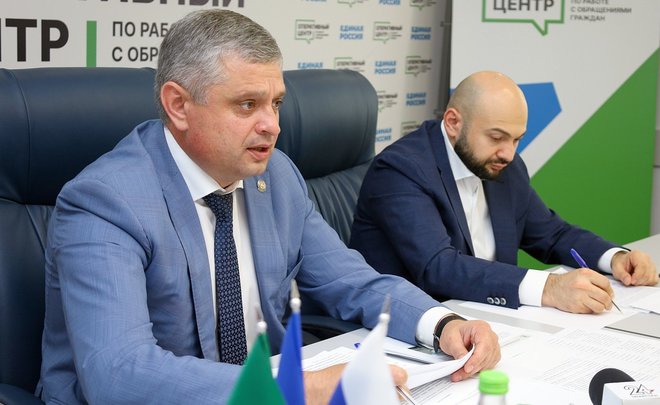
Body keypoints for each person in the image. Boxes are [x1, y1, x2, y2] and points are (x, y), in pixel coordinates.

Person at [38, 10, 500, 405]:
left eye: (276, 103)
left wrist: (441, 323)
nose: (272, 126)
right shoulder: (106, 201)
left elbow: (351, 280)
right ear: (178, 105)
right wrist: (298, 388)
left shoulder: (275, 175)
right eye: (247, 105)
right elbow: (119, 374)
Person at [350, 71, 658, 315]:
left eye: (516, 139)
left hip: (489, 319)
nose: (509, 153)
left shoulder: (502, 164)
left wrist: (615, 258)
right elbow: (438, 267)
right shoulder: (401, 169)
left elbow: (551, 234)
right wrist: (549, 288)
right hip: (413, 328)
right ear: (453, 122)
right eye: (497, 137)